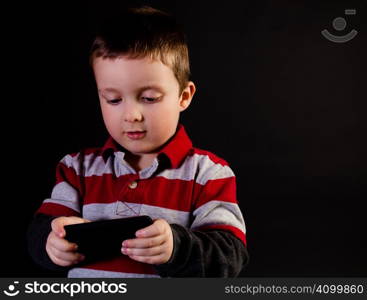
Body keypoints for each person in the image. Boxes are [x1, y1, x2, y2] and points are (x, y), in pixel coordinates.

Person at [27, 5, 249, 278]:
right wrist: (51, 242)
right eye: (113, 100)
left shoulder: (208, 174)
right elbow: (40, 234)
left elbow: (230, 256)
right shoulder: (77, 169)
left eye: (149, 98)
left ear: (184, 96)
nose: (131, 115)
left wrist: (176, 247)